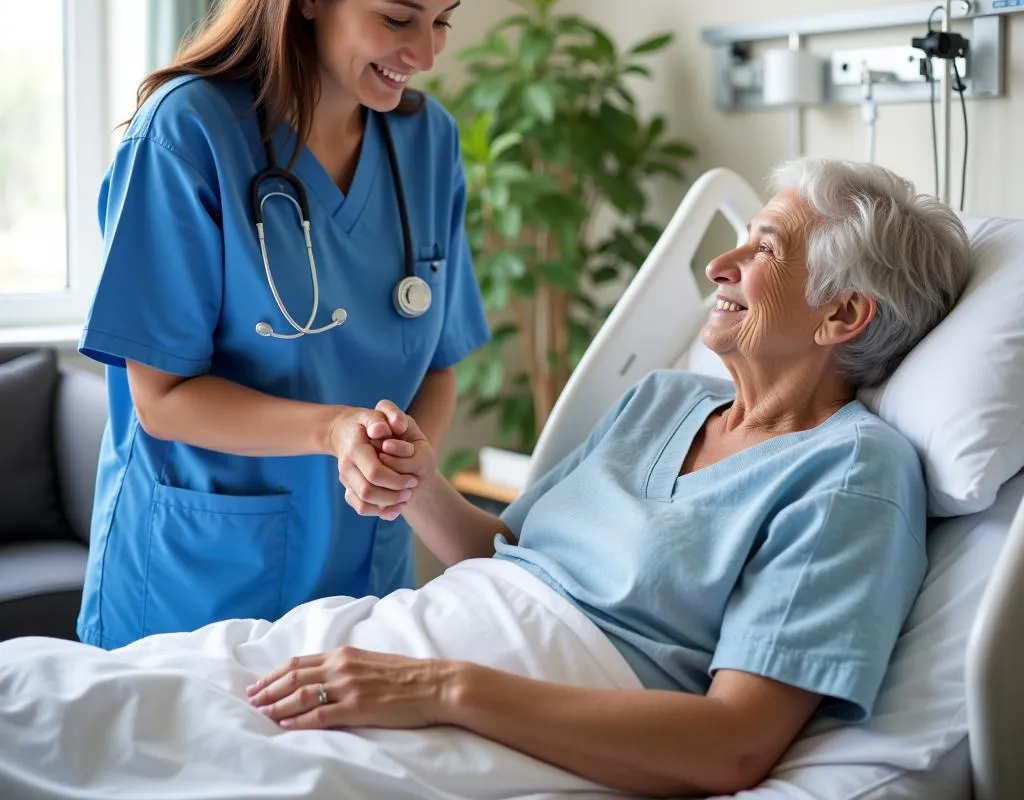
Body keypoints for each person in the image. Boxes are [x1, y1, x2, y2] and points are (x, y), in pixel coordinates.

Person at [5, 158, 970, 800]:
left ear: (843, 316)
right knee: (51, 696)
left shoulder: (851, 475)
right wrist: (419, 480)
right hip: (398, 645)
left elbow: (733, 744)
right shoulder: (666, 402)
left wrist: (437, 687)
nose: (720, 261)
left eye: (763, 248)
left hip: (498, 705)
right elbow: (511, 560)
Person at [76, 0, 490, 650]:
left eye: (442, 21)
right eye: (399, 17)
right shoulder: (191, 133)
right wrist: (335, 430)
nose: (427, 52)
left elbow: (437, 361)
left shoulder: (426, 140)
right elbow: (162, 399)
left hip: (364, 574)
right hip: (196, 578)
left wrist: (403, 456)